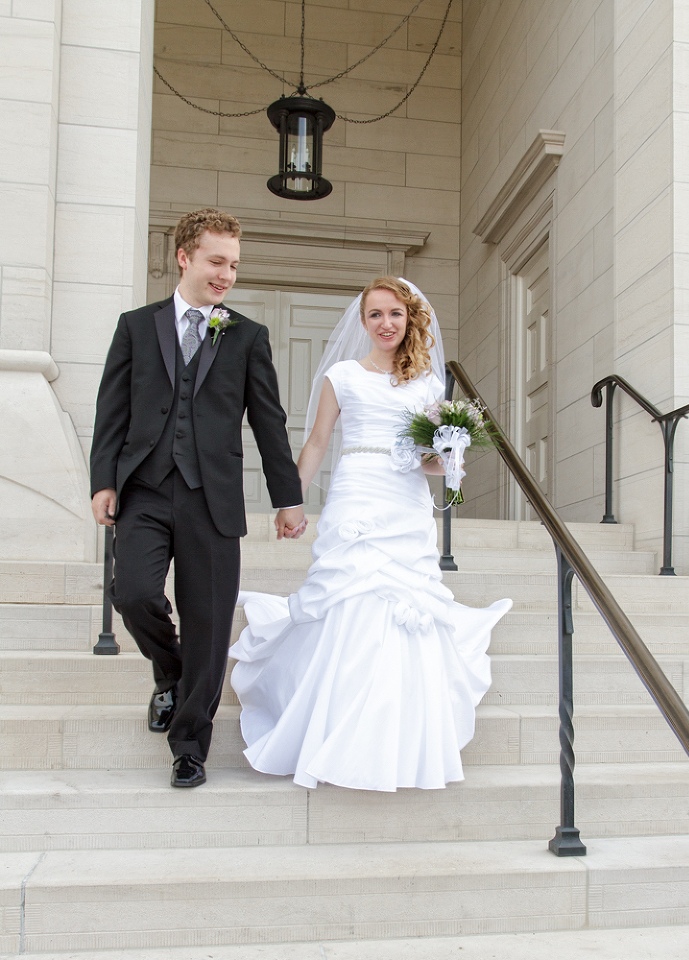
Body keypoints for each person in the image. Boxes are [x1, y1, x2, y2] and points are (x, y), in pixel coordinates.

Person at [229, 276, 512, 790]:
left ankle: (394, 734)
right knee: (350, 597)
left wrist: (448, 458)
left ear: (411, 320)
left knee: (405, 604)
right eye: (376, 315)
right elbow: (317, 443)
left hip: (404, 502)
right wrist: (291, 501)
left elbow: (426, 463)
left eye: (395, 315)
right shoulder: (343, 375)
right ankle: (334, 725)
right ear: (363, 322)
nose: (386, 324)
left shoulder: (428, 384)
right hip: (357, 492)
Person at [90, 208, 306, 789]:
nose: (226, 275)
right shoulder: (137, 326)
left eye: (233, 265)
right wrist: (103, 480)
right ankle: (170, 670)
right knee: (132, 592)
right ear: (184, 257)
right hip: (144, 490)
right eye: (216, 262)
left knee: (210, 624)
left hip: (212, 499)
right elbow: (111, 410)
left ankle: (190, 745)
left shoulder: (247, 337)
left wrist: (288, 497)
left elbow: (269, 422)